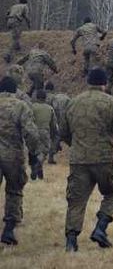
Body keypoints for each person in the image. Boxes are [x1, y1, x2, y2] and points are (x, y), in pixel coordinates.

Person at [63, 67, 113, 252]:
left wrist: (77, 145)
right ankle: (100, 228)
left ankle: (71, 241)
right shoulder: (112, 103)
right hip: (104, 159)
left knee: (76, 200)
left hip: (79, 160)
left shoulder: (73, 103)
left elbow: (63, 131)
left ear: (88, 82)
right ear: (104, 83)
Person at [0, 76, 41, 246]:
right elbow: (31, 133)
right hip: (13, 156)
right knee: (14, 190)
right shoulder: (20, 106)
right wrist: (33, 154)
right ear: (13, 90)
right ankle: (9, 230)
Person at [31, 89, 58, 179]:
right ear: (45, 98)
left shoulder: (32, 107)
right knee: (45, 151)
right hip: (45, 132)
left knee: (35, 151)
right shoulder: (50, 108)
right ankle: (38, 164)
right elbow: (53, 124)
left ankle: (38, 169)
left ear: (37, 97)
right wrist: (54, 135)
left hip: (33, 131)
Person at [44, 82, 70, 164]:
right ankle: (51, 156)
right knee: (57, 137)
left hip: (44, 122)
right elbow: (57, 110)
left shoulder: (42, 96)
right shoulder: (55, 98)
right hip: (55, 121)